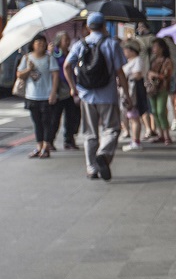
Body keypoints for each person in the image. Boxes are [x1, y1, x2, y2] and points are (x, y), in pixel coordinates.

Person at [63, 12, 132, 181]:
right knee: (112, 129)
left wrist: (73, 88)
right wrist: (127, 94)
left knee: (89, 132)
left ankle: (91, 167)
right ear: (104, 26)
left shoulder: (80, 45)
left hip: (86, 95)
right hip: (107, 95)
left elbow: (66, 66)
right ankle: (104, 153)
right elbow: (119, 72)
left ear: (88, 27)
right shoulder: (111, 44)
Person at [17, 32, 59, 158]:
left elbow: (55, 75)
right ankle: (39, 146)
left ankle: (46, 147)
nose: (40, 45)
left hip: (46, 96)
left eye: (42, 42)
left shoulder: (49, 58)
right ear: (33, 45)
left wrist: (53, 92)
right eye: (38, 42)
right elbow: (19, 75)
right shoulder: (27, 58)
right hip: (31, 96)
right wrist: (29, 69)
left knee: (47, 122)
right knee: (37, 123)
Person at [50, 31, 81, 150]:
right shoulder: (55, 53)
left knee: (71, 116)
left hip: (71, 87)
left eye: (68, 39)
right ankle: (50, 140)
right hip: (59, 88)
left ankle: (69, 140)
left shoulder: (71, 52)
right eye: (65, 39)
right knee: (55, 117)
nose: (67, 42)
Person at [120, 39, 149, 152]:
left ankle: (136, 140)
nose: (124, 52)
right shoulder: (131, 61)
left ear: (132, 50)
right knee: (132, 117)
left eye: (126, 50)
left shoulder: (137, 60)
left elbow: (137, 75)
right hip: (130, 92)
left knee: (134, 117)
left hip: (134, 93)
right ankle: (134, 140)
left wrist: (124, 78)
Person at [146, 38, 174, 145]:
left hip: (162, 88)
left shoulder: (167, 61)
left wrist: (154, 75)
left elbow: (167, 75)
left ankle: (166, 135)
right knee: (154, 111)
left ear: (161, 48)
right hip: (152, 89)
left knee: (161, 111)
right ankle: (161, 134)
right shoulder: (152, 60)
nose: (154, 49)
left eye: (155, 47)